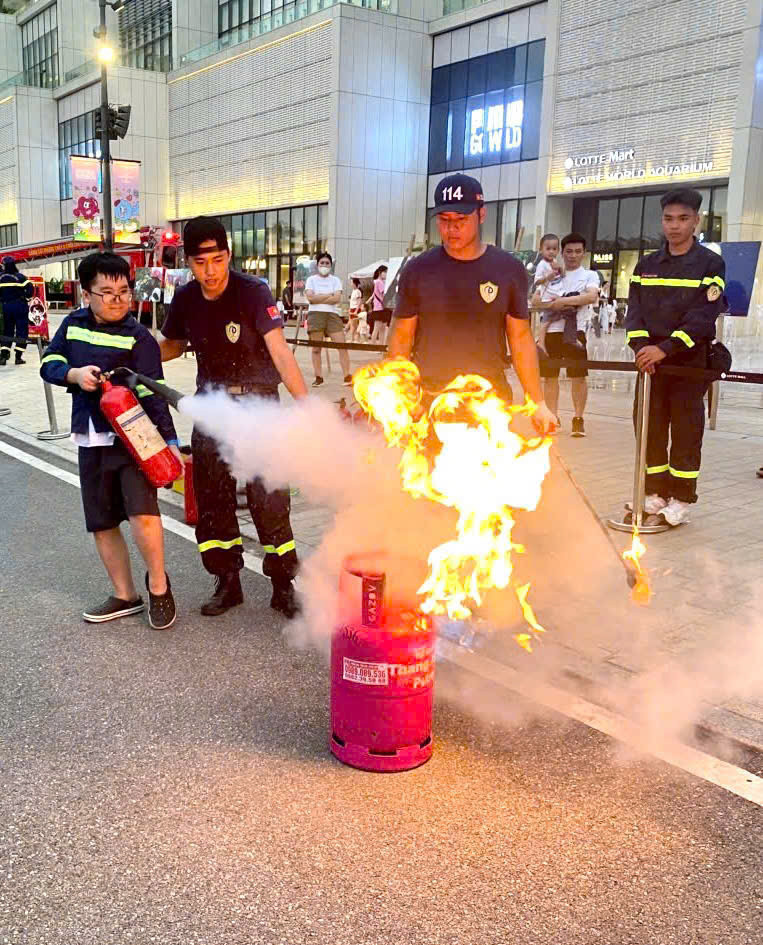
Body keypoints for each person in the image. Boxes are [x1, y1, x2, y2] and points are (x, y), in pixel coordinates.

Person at [159, 216, 308, 618]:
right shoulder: (187, 298)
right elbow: (171, 345)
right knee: (213, 500)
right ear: (188, 261)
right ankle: (227, 582)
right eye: (200, 262)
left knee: (269, 498)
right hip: (212, 409)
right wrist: (128, 357)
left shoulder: (253, 292)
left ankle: (282, 584)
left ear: (229, 256)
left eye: (218, 260)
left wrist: (307, 405)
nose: (210, 271)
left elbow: (280, 352)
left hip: (259, 407)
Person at [40, 252, 179, 629]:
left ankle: (159, 586)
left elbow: (155, 394)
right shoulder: (72, 325)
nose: (118, 300)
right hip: (91, 438)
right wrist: (73, 374)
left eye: (124, 292)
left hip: (135, 441)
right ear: (86, 294)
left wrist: (170, 442)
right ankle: (124, 594)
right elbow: (47, 363)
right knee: (102, 521)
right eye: (107, 292)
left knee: (143, 516)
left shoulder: (140, 338)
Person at [387, 173, 556, 433]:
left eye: (461, 220)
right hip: (432, 401)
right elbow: (401, 337)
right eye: (444, 220)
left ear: (482, 214)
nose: (451, 229)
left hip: (489, 403)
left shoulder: (508, 269)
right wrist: (402, 394)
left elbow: (521, 339)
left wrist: (537, 401)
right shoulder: (418, 269)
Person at [625, 188, 726, 526]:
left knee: (685, 431)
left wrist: (664, 349)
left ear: (696, 221)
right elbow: (634, 312)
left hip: (688, 365)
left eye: (683, 219)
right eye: (669, 219)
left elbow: (701, 317)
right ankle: (655, 492)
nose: (675, 226)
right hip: (650, 365)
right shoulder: (646, 264)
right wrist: (642, 350)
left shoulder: (710, 264)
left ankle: (681, 498)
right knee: (650, 428)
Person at [533, 233, 600, 437]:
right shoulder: (552, 274)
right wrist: (556, 305)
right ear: (562, 252)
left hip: (575, 331)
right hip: (552, 331)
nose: (573, 255)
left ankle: (578, 418)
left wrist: (564, 302)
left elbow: (591, 296)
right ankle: (553, 417)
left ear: (584, 253)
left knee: (578, 376)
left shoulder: (590, 275)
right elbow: (536, 301)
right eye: (569, 251)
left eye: (578, 251)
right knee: (550, 377)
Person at [305, 251, 351, 387]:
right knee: (316, 349)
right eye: (322, 263)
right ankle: (318, 377)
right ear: (317, 264)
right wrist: (328, 295)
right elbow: (311, 298)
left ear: (331, 265)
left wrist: (319, 296)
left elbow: (336, 299)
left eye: (327, 263)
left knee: (342, 345)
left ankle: (347, 375)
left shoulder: (336, 280)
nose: (324, 265)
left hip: (332, 315)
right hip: (315, 315)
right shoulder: (311, 280)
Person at [531, 234, 563, 355]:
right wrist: (547, 277)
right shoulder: (542, 265)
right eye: (548, 249)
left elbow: (562, 277)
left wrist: (560, 269)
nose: (551, 252)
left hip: (558, 295)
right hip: (548, 298)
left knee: (558, 315)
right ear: (541, 250)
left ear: (558, 250)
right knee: (546, 320)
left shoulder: (555, 262)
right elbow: (537, 281)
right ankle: (541, 342)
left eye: (554, 249)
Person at [0, 256, 34, 365]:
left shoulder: (1, 277)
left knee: (7, 331)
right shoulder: (20, 277)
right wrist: (26, 298)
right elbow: (30, 288)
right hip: (20, 306)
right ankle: (18, 357)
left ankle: (3, 357)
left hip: (6, 307)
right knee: (21, 331)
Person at [370, 265, 391, 345]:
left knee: (380, 329)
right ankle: (373, 346)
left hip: (378, 308)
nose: (386, 274)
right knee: (379, 329)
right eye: (385, 272)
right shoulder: (379, 282)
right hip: (381, 308)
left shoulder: (376, 282)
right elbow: (384, 294)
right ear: (380, 272)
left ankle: (379, 347)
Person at [347, 277, 363, 342]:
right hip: (352, 309)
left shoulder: (358, 291)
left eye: (352, 282)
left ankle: (355, 339)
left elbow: (359, 302)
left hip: (355, 309)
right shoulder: (353, 291)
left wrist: (356, 310)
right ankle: (353, 339)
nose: (351, 284)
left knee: (354, 325)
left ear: (354, 283)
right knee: (352, 324)